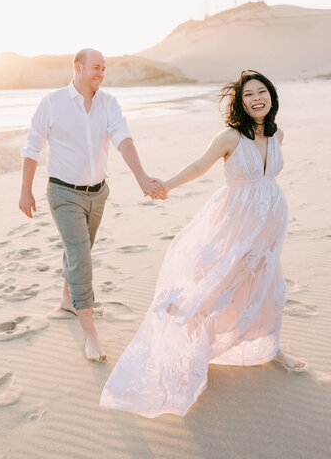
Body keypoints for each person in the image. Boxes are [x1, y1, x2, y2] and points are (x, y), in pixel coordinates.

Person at [100, 70, 306, 418]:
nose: (257, 98)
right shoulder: (230, 137)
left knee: (267, 283)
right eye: (248, 95)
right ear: (240, 104)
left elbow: (267, 180)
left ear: (271, 96)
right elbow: (199, 165)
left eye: (262, 92)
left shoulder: (277, 134)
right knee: (218, 281)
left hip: (269, 224)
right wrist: (165, 184)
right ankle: (183, 337)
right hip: (236, 223)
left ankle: (271, 347)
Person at [19, 48, 166, 362]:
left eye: (104, 69)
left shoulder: (108, 103)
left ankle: (66, 297)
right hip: (63, 192)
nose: (101, 74)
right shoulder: (53, 103)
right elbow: (32, 147)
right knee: (80, 254)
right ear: (78, 67)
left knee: (80, 249)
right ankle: (91, 335)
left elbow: (123, 138)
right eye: (96, 68)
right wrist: (25, 191)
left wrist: (141, 177)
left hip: (98, 193)